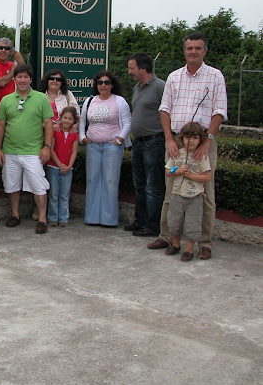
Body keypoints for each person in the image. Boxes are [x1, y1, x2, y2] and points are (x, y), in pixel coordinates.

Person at [148, 32, 228, 260]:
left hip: (203, 141)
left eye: (198, 48)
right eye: (189, 48)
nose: (193, 51)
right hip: (176, 141)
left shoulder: (215, 76)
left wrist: (207, 140)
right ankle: (166, 236)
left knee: (205, 194)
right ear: (184, 50)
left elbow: (219, 111)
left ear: (205, 51)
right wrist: (169, 139)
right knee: (171, 189)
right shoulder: (174, 77)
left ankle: (205, 243)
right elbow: (165, 109)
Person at [0, 64, 54, 234]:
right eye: (19, 77)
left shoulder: (41, 99)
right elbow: (1, 125)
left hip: (33, 151)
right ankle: (15, 215)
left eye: (25, 77)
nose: (22, 80)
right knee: (11, 186)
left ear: (30, 79)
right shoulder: (6, 100)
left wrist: (47, 146)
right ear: (14, 79)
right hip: (10, 151)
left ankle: (42, 219)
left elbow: (49, 123)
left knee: (39, 186)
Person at [79, 71, 132, 227]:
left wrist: (120, 139)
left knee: (110, 181)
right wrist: (83, 137)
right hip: (93, 146)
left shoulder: (119, 101)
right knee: (92, 180)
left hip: (112, 147)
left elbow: (128, 122)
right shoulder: (90, 101)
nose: (103, 85)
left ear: (112, 84)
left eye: (107, 82)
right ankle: (92, 217)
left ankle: (109, 219)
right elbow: (82, 122)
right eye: (100, 82)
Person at [125, 52, 166, 237]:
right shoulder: (137, 88)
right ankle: (139, 221)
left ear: (143, 68)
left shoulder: (160, 87)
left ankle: (152, 226)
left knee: (153, 186)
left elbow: (167, 112)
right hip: (139, 143)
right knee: (139, 185)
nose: (129, 71)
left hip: (154, 142)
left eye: (132, 68)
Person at [163, 122, 212, 262]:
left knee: (192, 224)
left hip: (194, 196)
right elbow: (168, 171)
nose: (190, 141)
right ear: (182, 138)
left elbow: (207, 176)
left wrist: (191, 175)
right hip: (177, 194)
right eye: (187, 137)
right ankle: (176, 244)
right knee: (174, 221)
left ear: (200, 140)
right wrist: (177, 171)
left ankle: (189, 250)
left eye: (195, 138)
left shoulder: (201, 156)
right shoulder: (177, 154)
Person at [47, 106, 79, 227]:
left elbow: (74, 151)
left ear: (73, 121)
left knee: (64, 195)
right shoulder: (55, 131)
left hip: (68, 169)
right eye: (64, 118)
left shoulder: (74, 134)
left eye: (70, 119)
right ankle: (52, 218)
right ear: (60, 118)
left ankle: (63, 218)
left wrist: (69, 165)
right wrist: (59, 164)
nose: (66, 121)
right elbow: (51, 149)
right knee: (54, 194)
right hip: (54, 167)